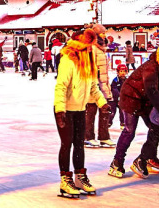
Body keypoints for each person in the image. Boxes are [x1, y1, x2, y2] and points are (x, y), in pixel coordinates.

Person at [109, 44, 159, 179]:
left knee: (157, 126)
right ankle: (117, 162)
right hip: (130, 98)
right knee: (129, 131)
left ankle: (149, 158)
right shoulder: (152, 67)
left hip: (146, 100)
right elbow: (151, 90)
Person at [54, 28, 108, 197]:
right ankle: (65, 180)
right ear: (81, 46)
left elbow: (93, 87)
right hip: (65, 110)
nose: (92, 48)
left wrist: (102, 103)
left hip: (80, 109)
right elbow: (61, 86)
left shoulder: (89, 61)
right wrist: (60, 110)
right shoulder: (68, 61)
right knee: (67, 143)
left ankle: (80, 176)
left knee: (79, 144)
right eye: (89, 46)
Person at [84, 24, 114, 148]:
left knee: (105, 110)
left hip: (103, 84)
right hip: (93, 85)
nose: (104, 35)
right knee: (90, 111)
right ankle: (88, 136)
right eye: (102, 33)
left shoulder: (101, 48)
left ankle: (104, 137)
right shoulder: (91, 48)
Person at [110, 64, 128, 129]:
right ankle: (109, 122)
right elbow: (114, 89)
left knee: (122, 111)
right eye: (121, 71)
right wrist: (118, 96)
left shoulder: (127, 80)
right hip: (114, 99)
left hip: (122, 99)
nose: (123, 73)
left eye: (124, 71)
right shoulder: (115, 80)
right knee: (112, 111)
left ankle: (123, 123)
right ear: (117, 72)